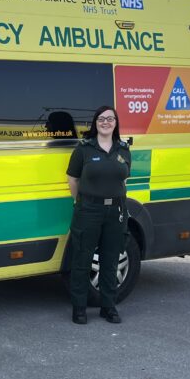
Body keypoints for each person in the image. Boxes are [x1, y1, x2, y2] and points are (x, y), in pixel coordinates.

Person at [66, 105, 131, 325]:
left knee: (110, 261)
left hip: (116, 212)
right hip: (89, 211)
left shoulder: (123, 149)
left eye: (110, 119)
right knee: (82, 260)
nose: (106, 122)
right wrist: (81, 202)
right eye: (101, 119)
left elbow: (123, 180)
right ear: (95, 123)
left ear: (116, 123)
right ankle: (79, 308)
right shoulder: (84, 149)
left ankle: (108, 307)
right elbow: (73, 179)